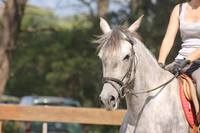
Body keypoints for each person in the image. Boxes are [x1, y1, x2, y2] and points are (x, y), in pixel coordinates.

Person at [158, 0, 200, 98]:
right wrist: (160, 62)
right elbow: (169, 38)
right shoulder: (179, 9)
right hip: (180, 61)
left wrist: (187, 60)